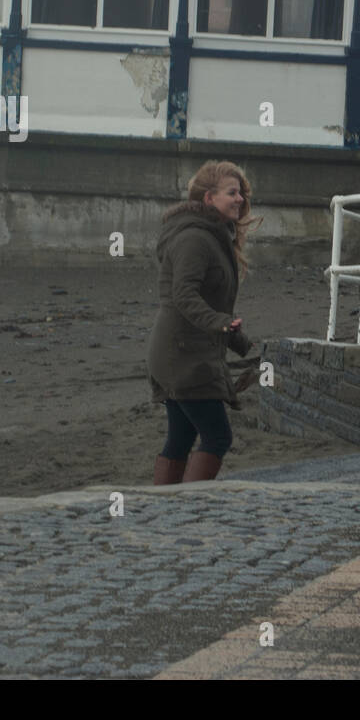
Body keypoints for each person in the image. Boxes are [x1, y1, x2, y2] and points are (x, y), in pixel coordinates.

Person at [146, 161, 257, 484]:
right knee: (218, 437)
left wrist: (240, 342)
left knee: (180, 438)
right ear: (209, 198)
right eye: (231, 193)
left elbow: (207, 302)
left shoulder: (211, 235)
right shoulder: (195, 238)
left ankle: (166, 510)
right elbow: (184, 295)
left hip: (183, 350)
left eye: (241, 193)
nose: (240, 200)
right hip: (182, 355)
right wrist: (222, 324)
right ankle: (191, 507)